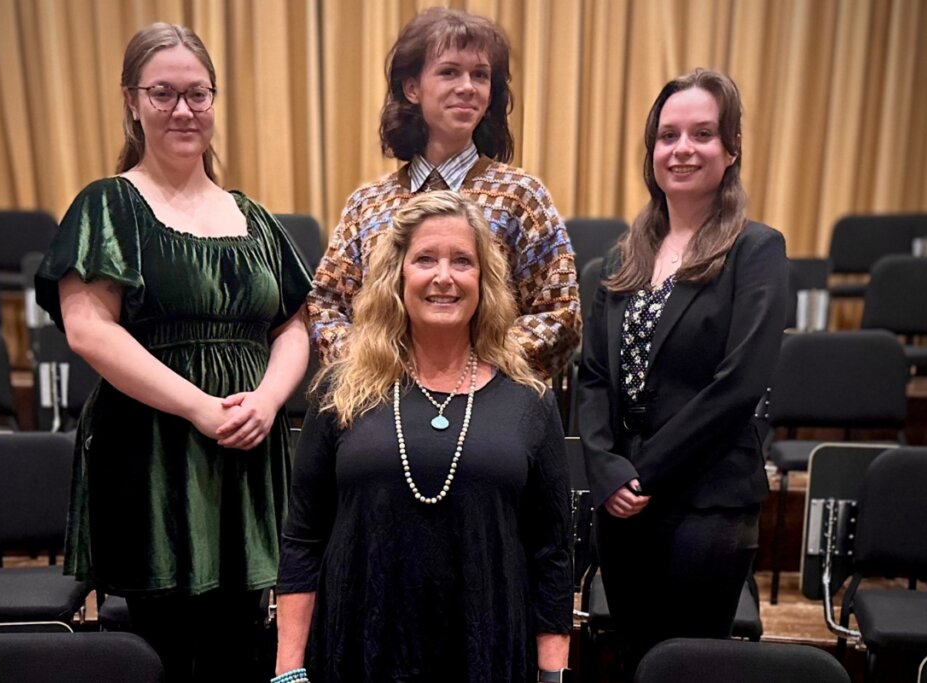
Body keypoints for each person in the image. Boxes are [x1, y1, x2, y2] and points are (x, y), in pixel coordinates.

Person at [34, 22, 311, 682]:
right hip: (153, 453)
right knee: (163, 651)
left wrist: (268, 399)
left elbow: (294, 326)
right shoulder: (108, 206)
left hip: (248, 446)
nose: (183, 109)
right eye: (163, 93)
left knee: (240, 645)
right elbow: (88, 329)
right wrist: (199, 408)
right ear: (132, 102)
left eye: (197, 93)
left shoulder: (255, 217)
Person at [274, 191, 573, 683]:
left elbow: (553, 554)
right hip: (359, 652)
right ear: (397, 275)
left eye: (462, 261)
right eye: (425, 259)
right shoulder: (339, 392)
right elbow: (303, 539)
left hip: (487, 655)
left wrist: (552, 676)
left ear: (484, 279)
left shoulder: (529, 399)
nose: (444, 277)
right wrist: (288, 670)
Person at [576, 69, 788, 671]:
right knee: (634, 659)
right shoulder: (618, 260)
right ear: (652, 150)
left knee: (689, 666)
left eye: (702, 134)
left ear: (731, 149)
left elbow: (739, 385)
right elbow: (593, 378)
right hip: (622, 503)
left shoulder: (756, 250)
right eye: (668, 135)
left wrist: (643, 473)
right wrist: (605, 468)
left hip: (707, 501)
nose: (683, 149)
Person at [307, 6, 580, 380]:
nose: (467, 87)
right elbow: (325, 306)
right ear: (412, 88)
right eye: (449, 72)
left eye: (480, 75)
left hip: (488, 400)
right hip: (383, 395)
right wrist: (377, 362)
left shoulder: (522, 197)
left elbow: (560, 314)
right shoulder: (367, 204)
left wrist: (471, 370)